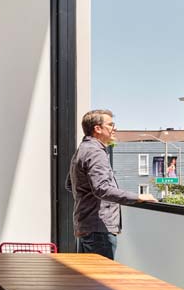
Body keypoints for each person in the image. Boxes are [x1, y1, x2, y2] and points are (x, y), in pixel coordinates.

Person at [67, 109, 157, 260]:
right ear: (98, 128)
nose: (115, 128)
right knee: (100, 281)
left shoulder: (82, 150)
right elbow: (102, 189)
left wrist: (87, 202)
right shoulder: (95, 152)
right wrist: (138, 197)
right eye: (111, 124)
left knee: (88, 279)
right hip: (98, 230)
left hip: (87, 226)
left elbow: (70, 184)